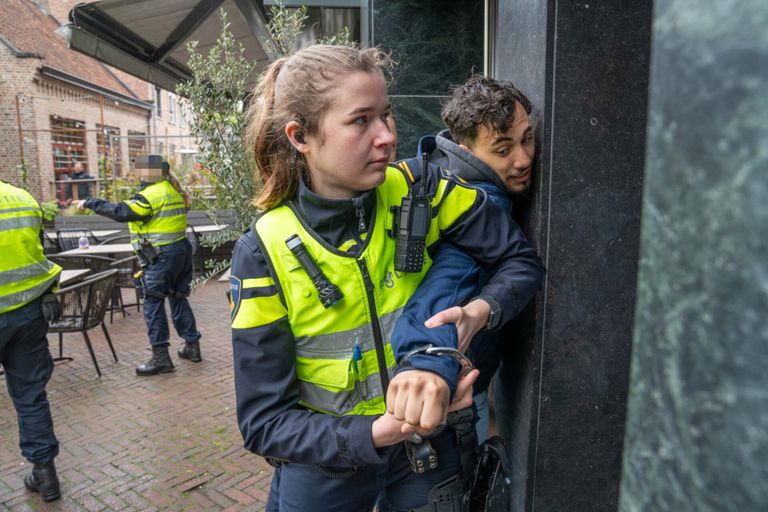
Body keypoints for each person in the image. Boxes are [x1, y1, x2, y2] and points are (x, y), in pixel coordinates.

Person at [230, 45, 545, 512]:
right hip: (327, 467)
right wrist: (384, 430)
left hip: (429, 452)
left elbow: (521, 262)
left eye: (388, 114)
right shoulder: (262, 251)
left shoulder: (424, 188)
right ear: (301, 136)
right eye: (361, 121)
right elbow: (265, 424)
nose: (387, 136)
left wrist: (479, 314)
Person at [392, 75, 539, 442]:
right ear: (466, 148)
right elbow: (441, 297)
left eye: (528, 140)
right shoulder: (479, 203)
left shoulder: (437, 166)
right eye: (503, 150)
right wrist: (428, 366)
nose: (523, 159)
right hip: (451, 395)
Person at [77, 155, 202, 376]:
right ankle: (192, 346)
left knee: (153, 303)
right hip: (181, 252)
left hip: (161, 257)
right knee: (178, 297)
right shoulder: (173, 190)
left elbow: (121, 212)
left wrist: (90, 203)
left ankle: (161, 357)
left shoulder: (150, 195)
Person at [0, 180, 63, 502]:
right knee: (30, 396)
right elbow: (38, 252)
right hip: (26, 313)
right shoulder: (21, 198)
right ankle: (45, 473)